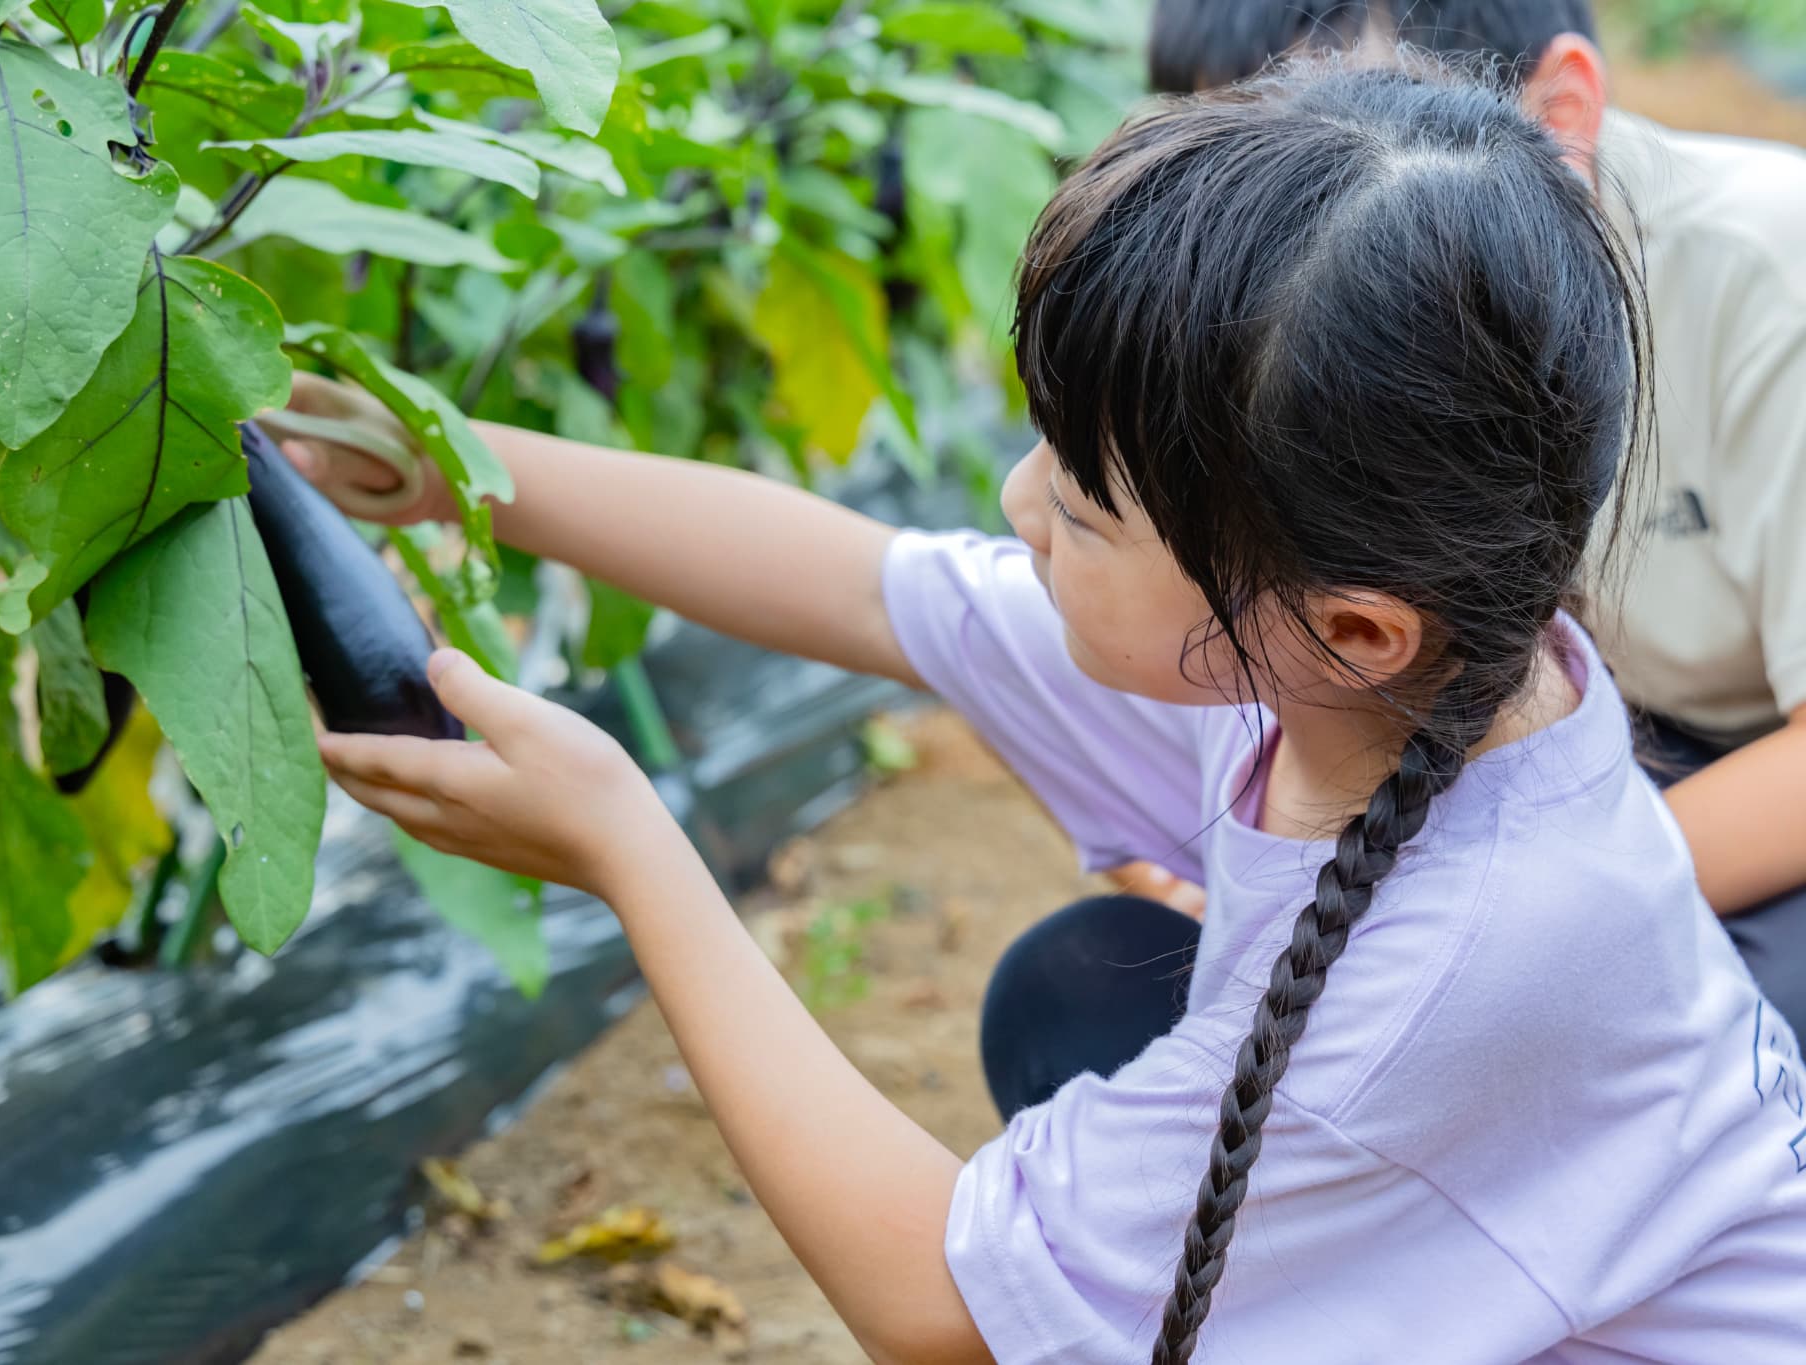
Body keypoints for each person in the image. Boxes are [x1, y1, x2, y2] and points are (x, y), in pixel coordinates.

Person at [277, 66, 1806, 1363]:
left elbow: (940, 1308)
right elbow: (868, 588)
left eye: (1079, 506)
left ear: (1345, 625)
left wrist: (631, 848)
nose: (1017, 506)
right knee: (1079, 993)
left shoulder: (1455, 969)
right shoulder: (1402, 667)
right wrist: (454, 462)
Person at [1131, 0, 1806, 1039]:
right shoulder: (1333, 314)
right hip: (1603, 731)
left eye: (1332, 168)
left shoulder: (1770, 283)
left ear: (1562, 108)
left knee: (1695, 1025)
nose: (1279, 252)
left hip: (1750, 757)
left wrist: (1500, 922)